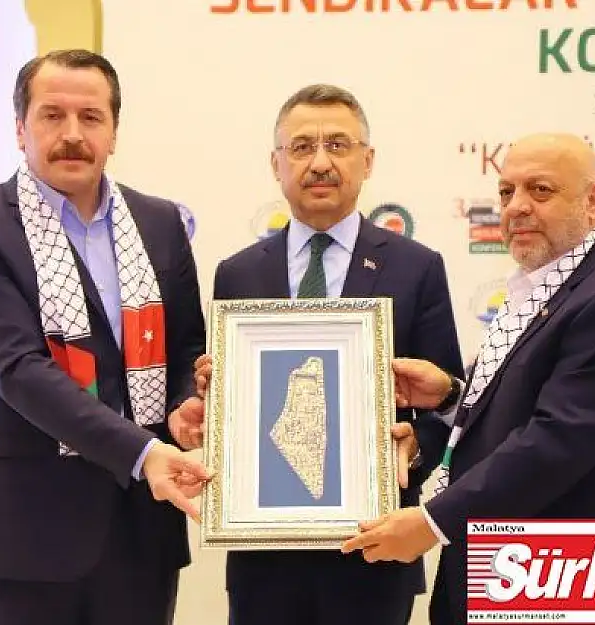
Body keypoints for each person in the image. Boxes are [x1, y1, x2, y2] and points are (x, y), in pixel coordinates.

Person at [340, 132, 595, 625]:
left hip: (578, 587)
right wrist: (451, 398)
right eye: (506, 192)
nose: (517, 207)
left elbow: (555, 443)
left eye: (540, 190)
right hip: (516, 579)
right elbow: (522, 409)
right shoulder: (546, 287)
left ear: (592, 201)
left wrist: (432, 522)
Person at [0, 49, 211, 625]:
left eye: (90, 117)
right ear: (20, 129)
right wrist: (143, 452)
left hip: (142, 534)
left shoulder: (160, 225)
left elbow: (186, 346)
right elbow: (19, 371)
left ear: (113, 132)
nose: (72, 135)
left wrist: (187, 402)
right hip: (23, 537)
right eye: (52, 115)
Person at [193, 84, 465, 625]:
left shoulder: (417, 267)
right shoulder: (238, 272)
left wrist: (413, 451)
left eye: (338, 145)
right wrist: (215, 397)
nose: (320, 163)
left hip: (375, 552)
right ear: (276, 164)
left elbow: (449, 402)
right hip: (263, 558)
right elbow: (236, 410)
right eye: (301, 147)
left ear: (368, 160)